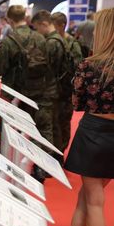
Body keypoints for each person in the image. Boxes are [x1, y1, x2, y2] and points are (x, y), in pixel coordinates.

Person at [51, 7, 114, 226]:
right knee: (87, 198)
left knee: (94, 201)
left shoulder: (90, 65)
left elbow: (77, 103)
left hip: (94, 132)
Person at [0, 5, 55, 147]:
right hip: (40, 92)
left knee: (15, 134)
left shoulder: (9, 41)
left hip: (16, 95)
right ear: (24, 17)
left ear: (9, 20)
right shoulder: (40, 37)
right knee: (42, 134)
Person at [31, 10, 69, 158]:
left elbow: (46, 69)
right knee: (55, 126)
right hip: (56, 89)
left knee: (48, 127)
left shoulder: (52, 43)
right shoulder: (59, 39)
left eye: (37, 27)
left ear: (44, 24)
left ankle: (49, 160)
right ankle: (56, 157)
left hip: (50, 90)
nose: (37, 31)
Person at [51, 12, 84, 154]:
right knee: (51, 123)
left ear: (62, 25)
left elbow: (78, 67)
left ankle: (60, 152)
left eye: (54, 25)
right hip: (51, 90)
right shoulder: (51, 41)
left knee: (63, 122)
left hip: (65, 91)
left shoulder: (72, 43)